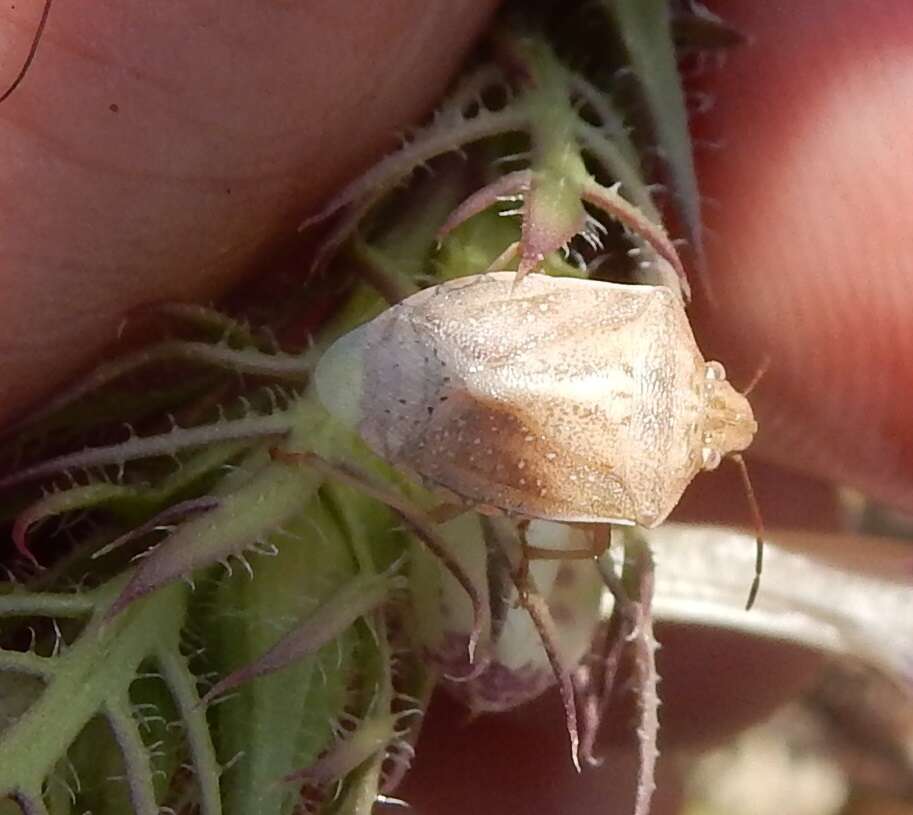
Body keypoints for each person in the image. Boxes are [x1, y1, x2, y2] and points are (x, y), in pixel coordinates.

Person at [2, 2, 910, 812]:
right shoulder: (639, 490)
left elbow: (520, 299)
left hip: (439, 333)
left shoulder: (652, 318)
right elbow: (522, 513)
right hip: (422, 422)